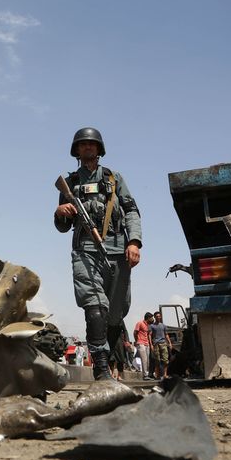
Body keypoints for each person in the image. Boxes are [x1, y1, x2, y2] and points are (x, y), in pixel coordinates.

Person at [54, 127, 142, 380]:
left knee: (116, 313)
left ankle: (109, 360)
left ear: (99, 149)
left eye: (92, 144)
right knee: (95, 306)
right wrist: (60, 212)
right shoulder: (70, 183)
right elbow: (62, 227)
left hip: (118, 249)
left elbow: (132, 210)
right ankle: (102, 369)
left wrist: (134, 241)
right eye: (82, 144)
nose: (88, 147)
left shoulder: (114, 179)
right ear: (76, 150)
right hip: (85, 250)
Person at [148, 311, 173, 378]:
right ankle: (158, 375)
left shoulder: (163, 325)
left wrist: (170, 343)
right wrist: (151, 345)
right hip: (156, 344)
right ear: (154, 317)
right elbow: (149, 335)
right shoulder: (152, 326)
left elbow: (166, 334)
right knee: (157, 360)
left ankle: (165, 374)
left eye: (159, 316)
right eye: (157, 316)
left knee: (165, 360)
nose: (158, 317)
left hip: (163, 343)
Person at [134, 312, 154, 380]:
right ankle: (145, 375)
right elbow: (135, 332)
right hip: (141, 343)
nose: (152, 319)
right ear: (148, 318)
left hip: (147, 344)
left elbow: (149, 334)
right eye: (151, 318)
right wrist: (137, 341)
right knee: (144, 360)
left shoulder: (148, 325)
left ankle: (147, 374)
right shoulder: (140, 323)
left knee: (147, 360)